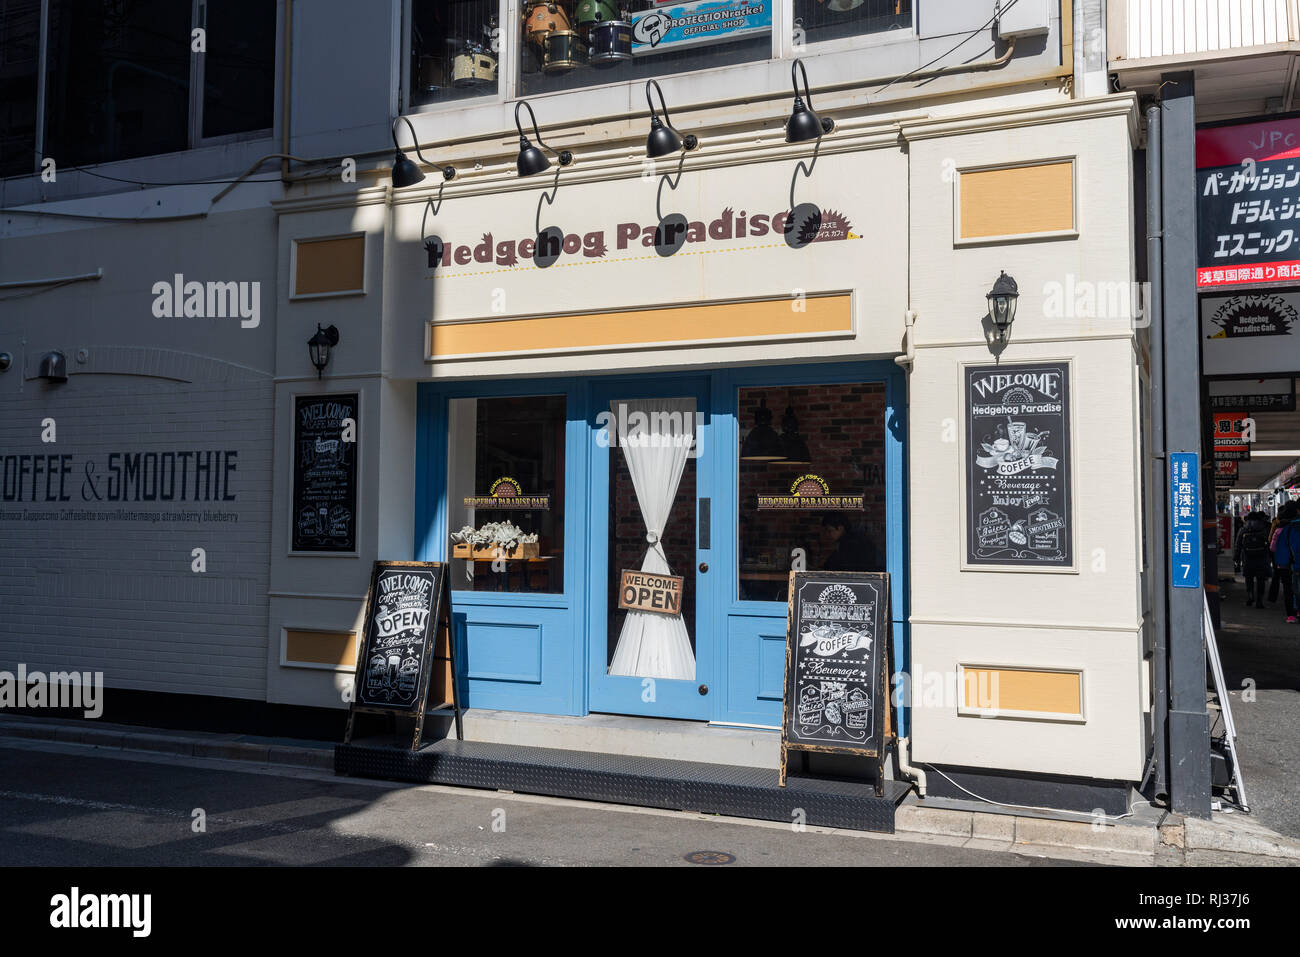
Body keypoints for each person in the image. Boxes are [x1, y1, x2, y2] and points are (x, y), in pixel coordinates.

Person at [1234, 510, 1272, 607]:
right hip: (1262, 557)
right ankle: (1259, 600)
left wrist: (1236, 558)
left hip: (1247, 557)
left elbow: (1238, 544)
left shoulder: (1244, 529)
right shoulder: (1265, 528)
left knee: (1249, 578)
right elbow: (1270, 543)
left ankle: (1250, 596)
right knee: (1261, 579)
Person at [1270, 502, 1300, 622]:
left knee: (1289, 590)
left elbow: (1277, 548)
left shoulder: (1285, 530)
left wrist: (1281, 565)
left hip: (1289, 566)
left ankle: (1291, 615)